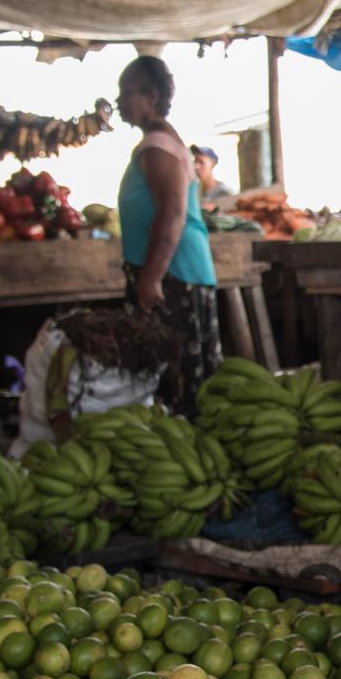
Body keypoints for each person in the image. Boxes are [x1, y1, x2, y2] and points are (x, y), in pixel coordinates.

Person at [115, 56, 221, 415]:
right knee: (187, 378)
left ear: (153, 95)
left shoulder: (157, 146)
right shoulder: (163, 140)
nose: (119, 101)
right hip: (180, 271)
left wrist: (151, 278)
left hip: (173, 275)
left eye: (127, 93)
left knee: (177, 383)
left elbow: (173, 212)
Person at [191, 144, 237, 209]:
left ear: (213, 164)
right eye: (195, 161)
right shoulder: (193, 191)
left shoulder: (224, 192)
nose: (196, 166)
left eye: (201, 162)